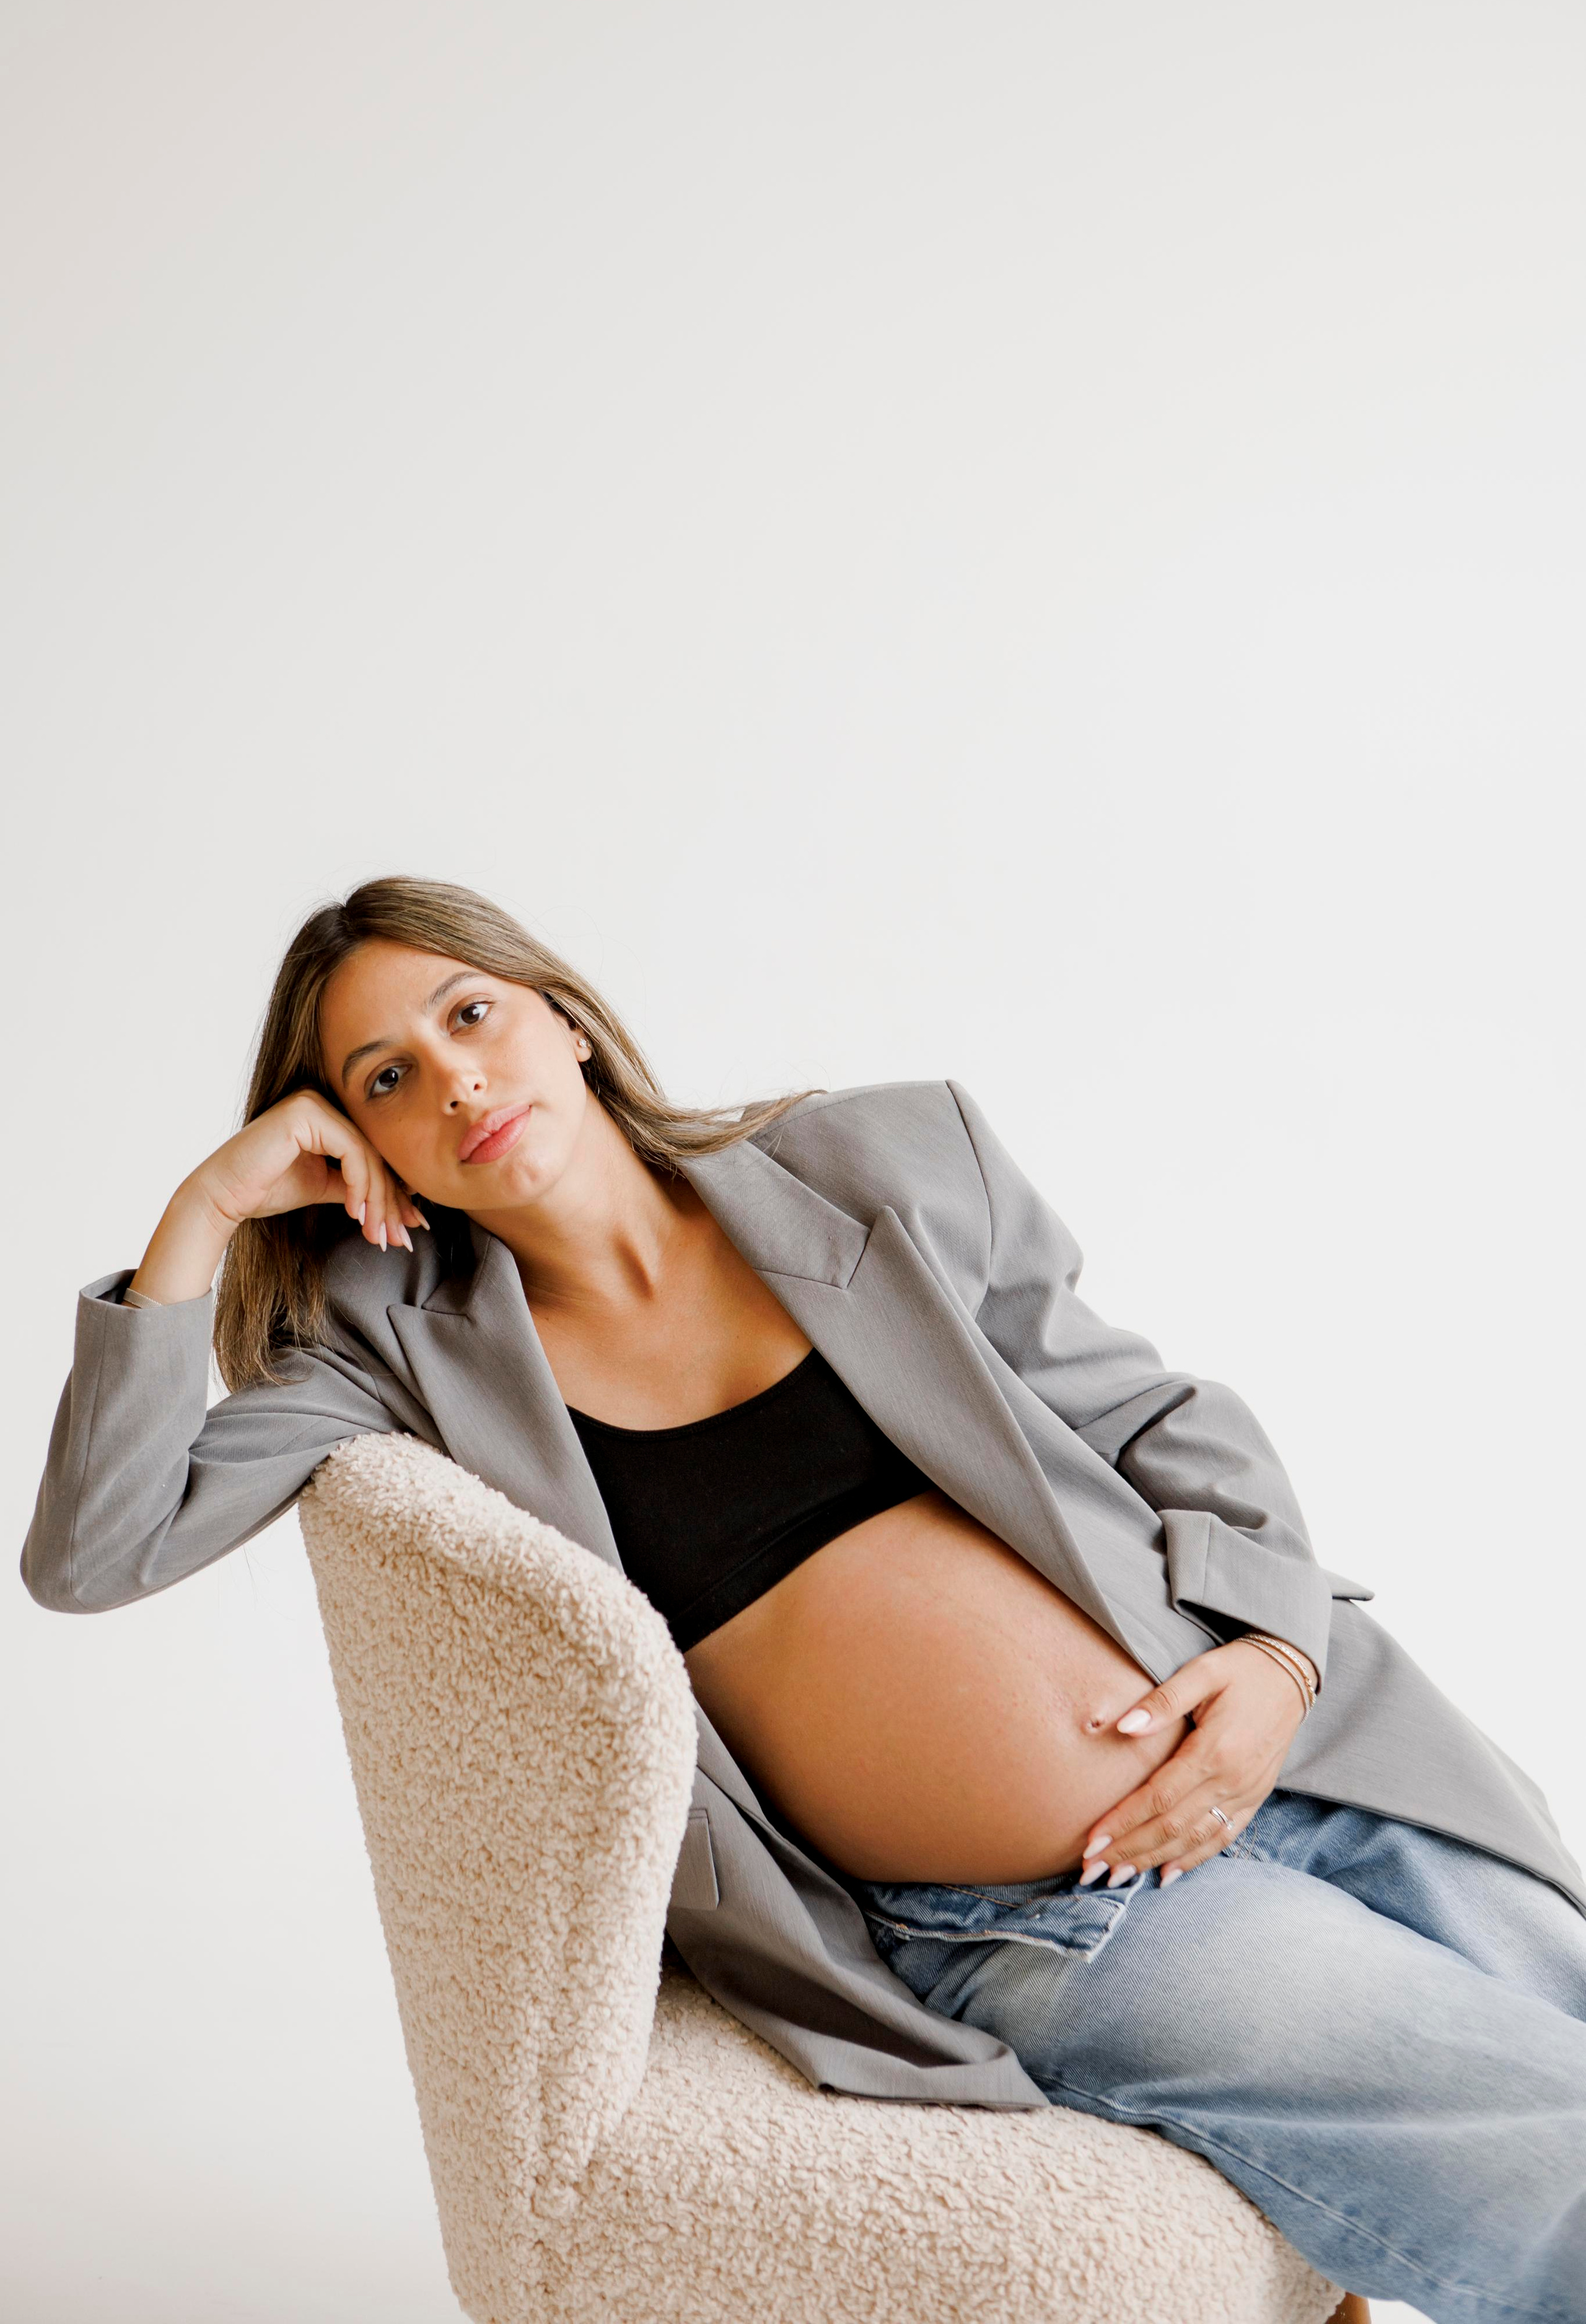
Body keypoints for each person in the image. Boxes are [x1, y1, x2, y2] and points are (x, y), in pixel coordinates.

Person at [24, 874, 1586, 2323]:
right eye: (382, 1079)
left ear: (560, 1013)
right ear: (361, 1143)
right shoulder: (400, 1362)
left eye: (467, 1013)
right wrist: (207, 1211)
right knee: (1550, 2159)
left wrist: (1271, 1659)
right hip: (1049, 1918)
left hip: (1301, 1755)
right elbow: (95, 1556)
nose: (453, 1081)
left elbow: (1158, 1421)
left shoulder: (883, 1159)